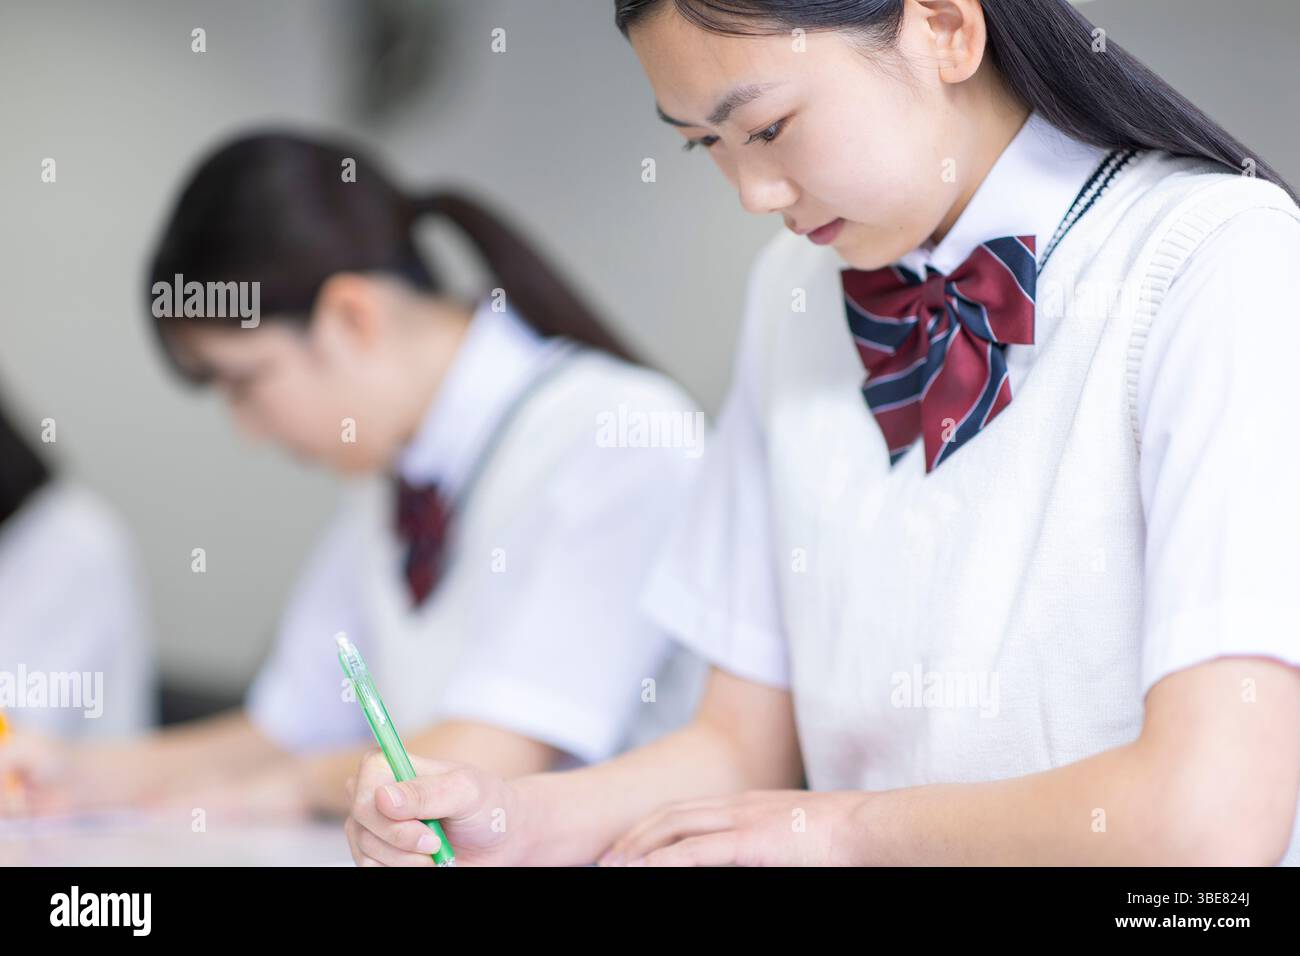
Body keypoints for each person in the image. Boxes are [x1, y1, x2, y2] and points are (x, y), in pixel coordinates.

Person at [343, 0, 1300, 866]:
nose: (753, 193)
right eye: (701, 143)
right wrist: (510, 818)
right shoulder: (791, 297)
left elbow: (1210, 822)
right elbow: (738, 743)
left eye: (766, 127)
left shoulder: (1219, 263)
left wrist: (841, 830)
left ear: (944, 29)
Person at [0, 130, 704, 820]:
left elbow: (483, 758)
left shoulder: (620, 434)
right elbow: (287, 727)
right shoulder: (389, 470)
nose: (248, 431)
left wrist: (296, 787)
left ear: (351, 317)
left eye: (244, 383)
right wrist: (73, 773)